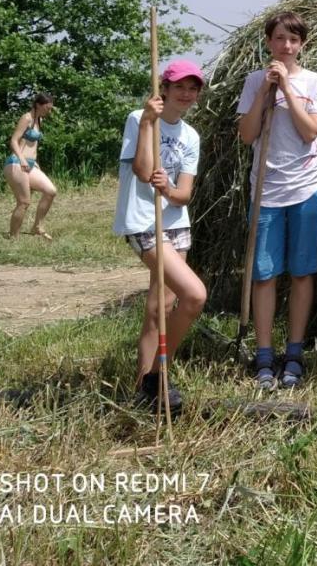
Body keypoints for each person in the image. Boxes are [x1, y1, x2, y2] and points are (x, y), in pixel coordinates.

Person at [236, 11, 317, 390]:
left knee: (302, 271)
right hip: (266, 189)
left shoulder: (314, 81)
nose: (286, 46)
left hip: (305, 186)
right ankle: (263, 353)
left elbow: (311, 132)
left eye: (293, 40)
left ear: (301, 44)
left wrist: (288, 91)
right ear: (269, 42)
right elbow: (246, 135)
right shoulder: (255, 80)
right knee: (264, 273)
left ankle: (294, 351)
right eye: (279, 39)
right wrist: (264, 92)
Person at [113, 59, 208, 413]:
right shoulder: (140, 119)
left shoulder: (191, 136)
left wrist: (167, 189)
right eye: (180, 86)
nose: (186, 94)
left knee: (160, 309)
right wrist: (150, 121)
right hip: (144, 222)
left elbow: (184, 194)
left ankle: (143, 389)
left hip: (176, 223)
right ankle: (157, 376)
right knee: (195, 296)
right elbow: (140, 169)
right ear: (163, 89)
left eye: (193, 88)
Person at [4, 93, 58, 240]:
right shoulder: (26, 118)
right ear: (39, 105)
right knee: (24, 202)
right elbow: (14, 141)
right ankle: (13, 237)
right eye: (48, 108)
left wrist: (35, 163)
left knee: (50, 191)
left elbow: (32, 145)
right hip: (16, 162)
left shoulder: (39, 120)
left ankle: (37, 227)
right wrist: (22, 159)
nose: (49, 111)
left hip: (30, 164)